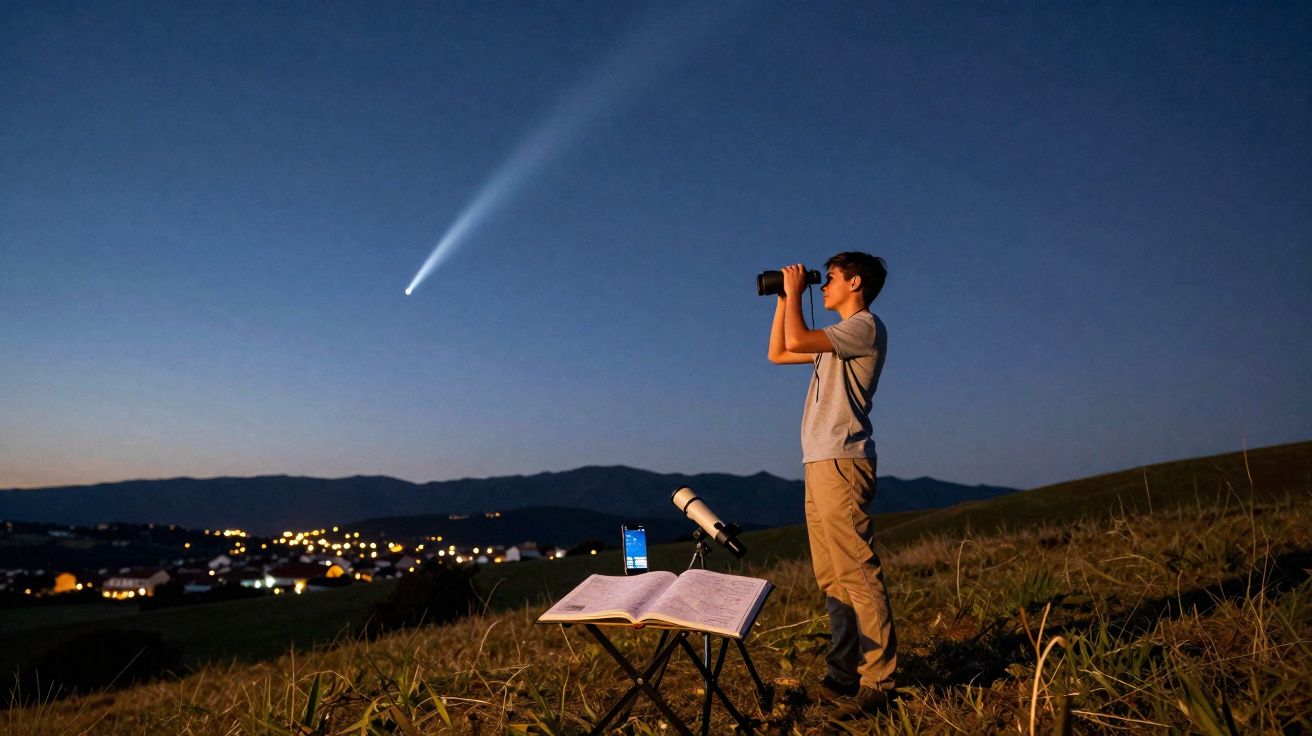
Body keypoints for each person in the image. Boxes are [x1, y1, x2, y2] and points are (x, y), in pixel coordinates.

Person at [767, 253, 896, 719]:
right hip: (820, 461)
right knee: (833, 577)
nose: (824, 286)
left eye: (832, 279)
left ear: (855, 282)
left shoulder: (864, 326)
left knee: (857, 572)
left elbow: (798, 337)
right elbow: (780, 351)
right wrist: (786, 297)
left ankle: (878, 681)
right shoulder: (835, 340)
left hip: (843, 460)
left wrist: (797, 292)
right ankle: (843, 676)